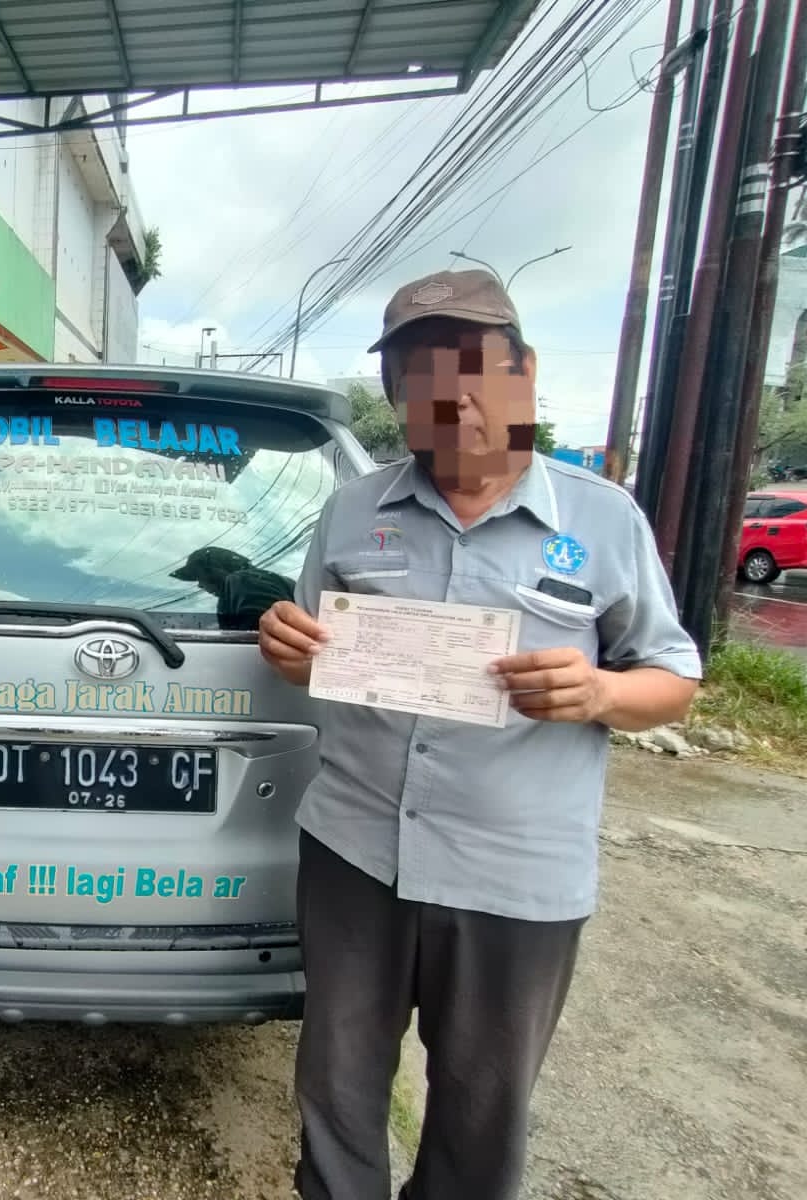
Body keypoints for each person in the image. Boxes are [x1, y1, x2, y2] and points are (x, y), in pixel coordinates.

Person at [257, 269, 702, 1200]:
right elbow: (312, 649)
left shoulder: (602, 519)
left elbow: (673, 680)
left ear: (523, 373)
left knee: (480, 1108)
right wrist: (290, 649)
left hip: (515, 873)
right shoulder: (352, 510)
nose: (447, 397)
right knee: (336, 1083)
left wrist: (599, 692)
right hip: (355, 851)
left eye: (469, 370)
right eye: (417, 379)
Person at [170, 546, 295, 630]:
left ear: (213, 571)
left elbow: (259, 634)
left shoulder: (243, 580)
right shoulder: (261, 580)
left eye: (198, 577)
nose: (200, 585)